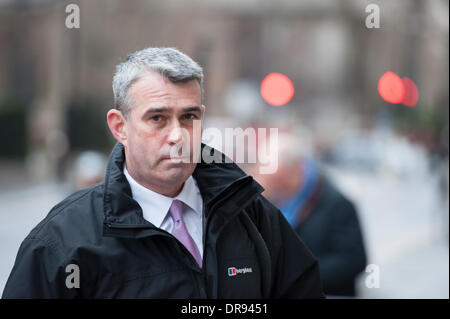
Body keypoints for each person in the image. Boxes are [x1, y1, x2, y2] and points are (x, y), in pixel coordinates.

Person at [2, 47, 323, 298]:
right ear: (119, 126)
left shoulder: (250, 214)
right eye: (157, 118)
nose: (177, 135)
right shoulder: (65, 240)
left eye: (189, 117)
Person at [249, 130, 367, 297]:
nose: (277, 188)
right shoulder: (272, 198)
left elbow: (353, 261)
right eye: (273, 181)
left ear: (297, 168)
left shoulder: (337, 204)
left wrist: (296, 275)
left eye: (281, 181)